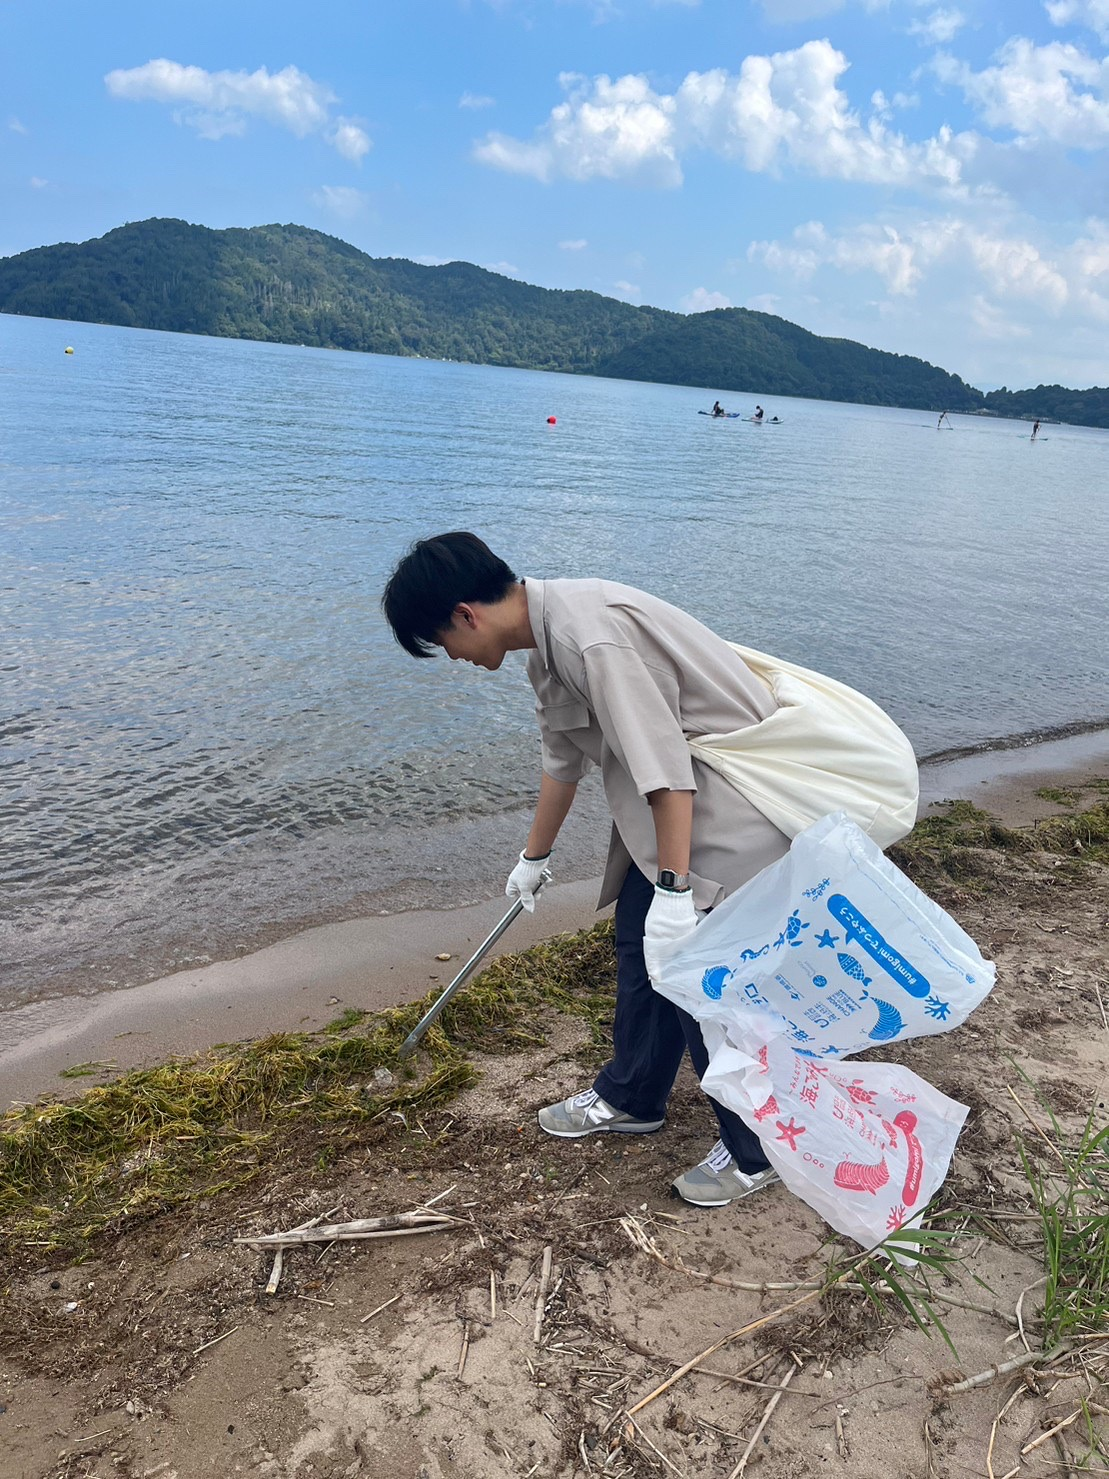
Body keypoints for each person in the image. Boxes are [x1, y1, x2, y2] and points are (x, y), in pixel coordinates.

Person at [382, 532, 792, 1208]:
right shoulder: (544, 643)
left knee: (699, 981)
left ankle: (757, 1152)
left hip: (722, 816)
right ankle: (633, 1096)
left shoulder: (587, 638)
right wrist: (533, 858)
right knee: (637, 945)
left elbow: (668, 773)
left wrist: (675, 893)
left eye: (442, 643)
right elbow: (562, 761)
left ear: (464, 614)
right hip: (671, 821)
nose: (452, 657)